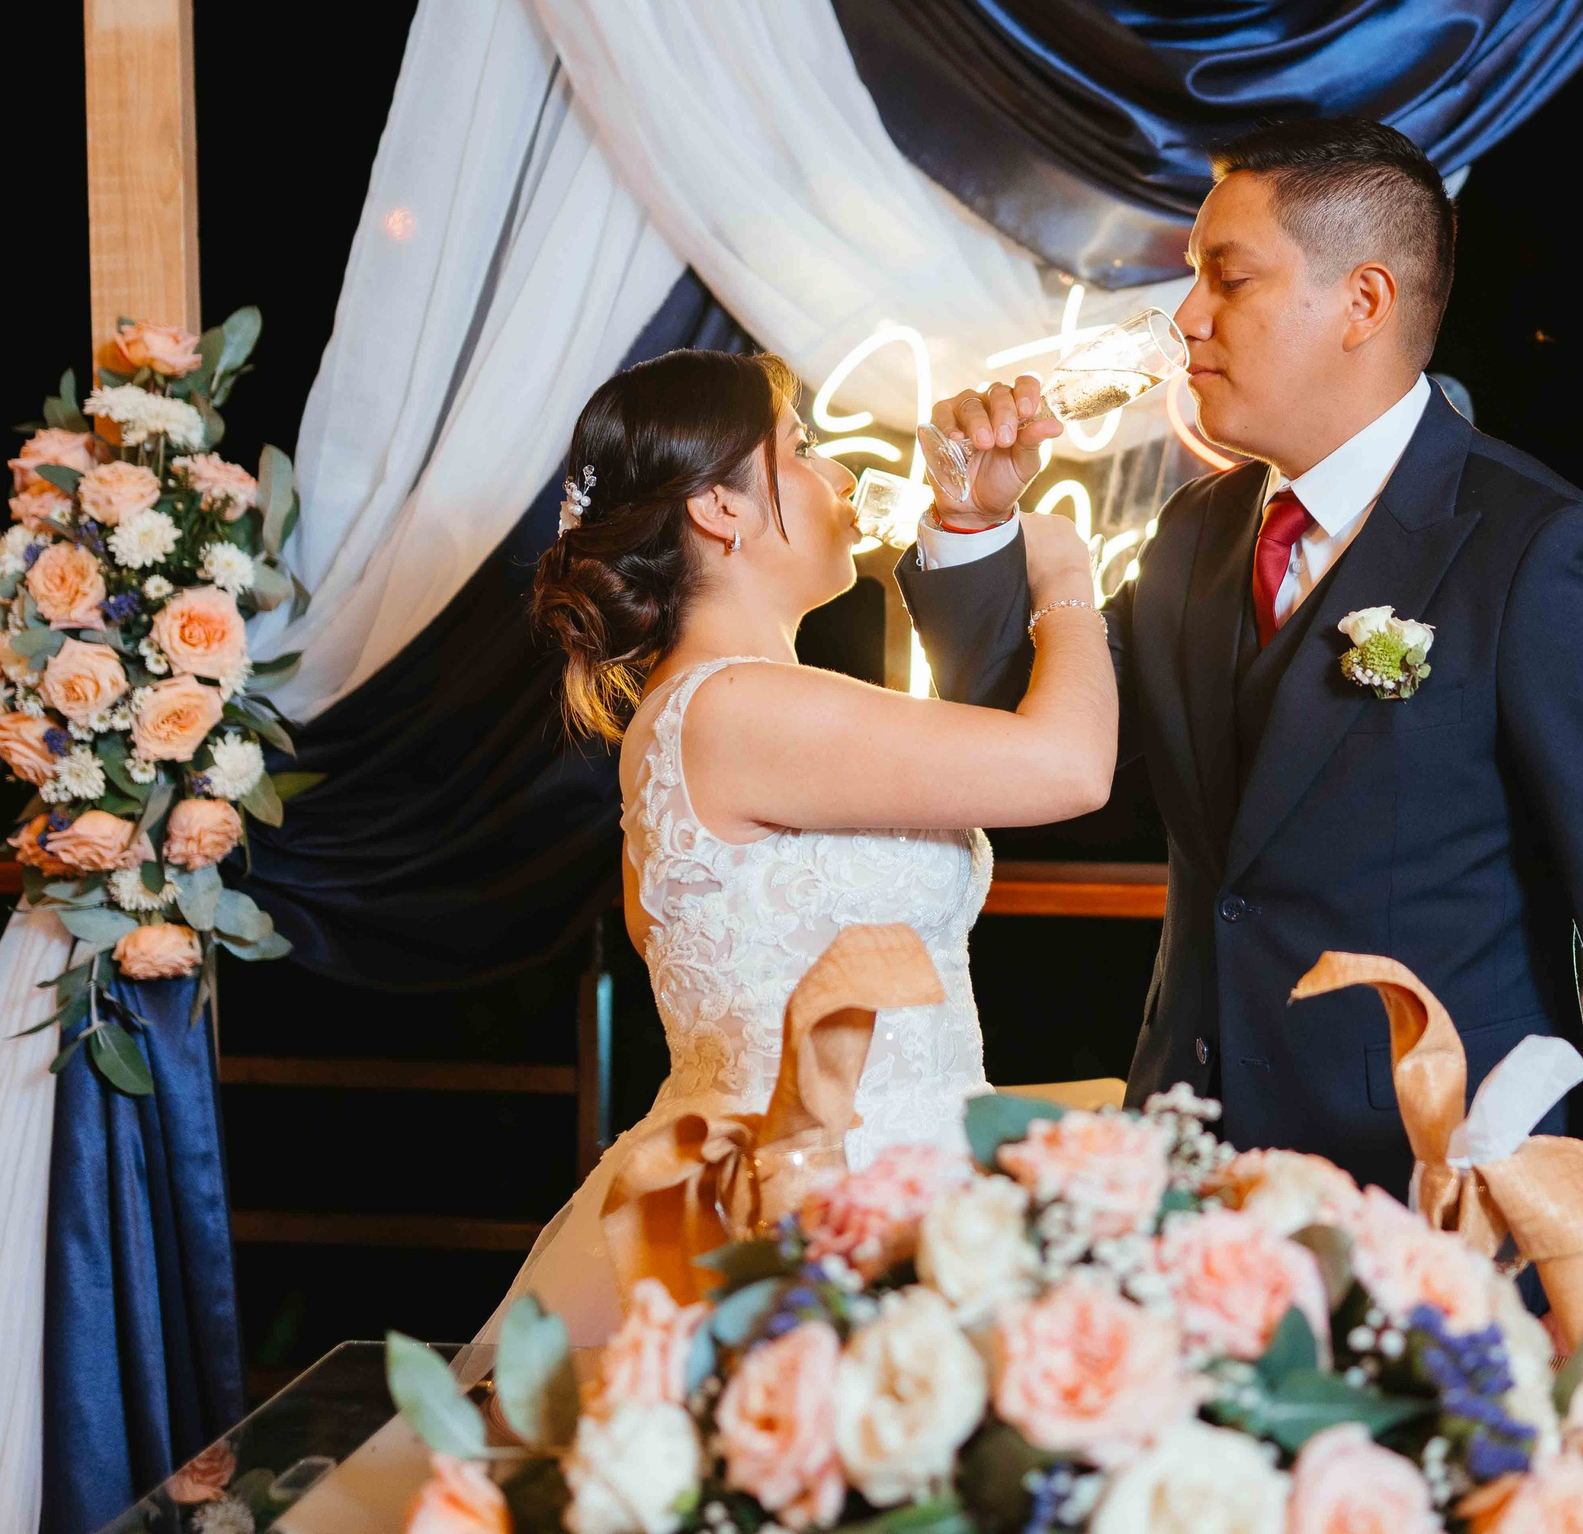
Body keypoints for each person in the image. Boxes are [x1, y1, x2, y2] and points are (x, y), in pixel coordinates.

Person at [899, 118, 1583, 1301]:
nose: (1187, 316)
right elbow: (1030, 747)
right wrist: (974, 527)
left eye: (1225, 279)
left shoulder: (1541, 555)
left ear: (1363, 300)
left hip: (1445, 1222)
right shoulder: (1195, 536)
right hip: (1186, 1209)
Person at [475, 348, 1115, 1350]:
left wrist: (973, 526)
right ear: (718, 509)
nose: (843, 476)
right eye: (803, 450)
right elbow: (1069, 767)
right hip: (818, 1209)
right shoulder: (736, 708)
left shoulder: (717, 709)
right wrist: (1065, 570)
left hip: (876, 1182)